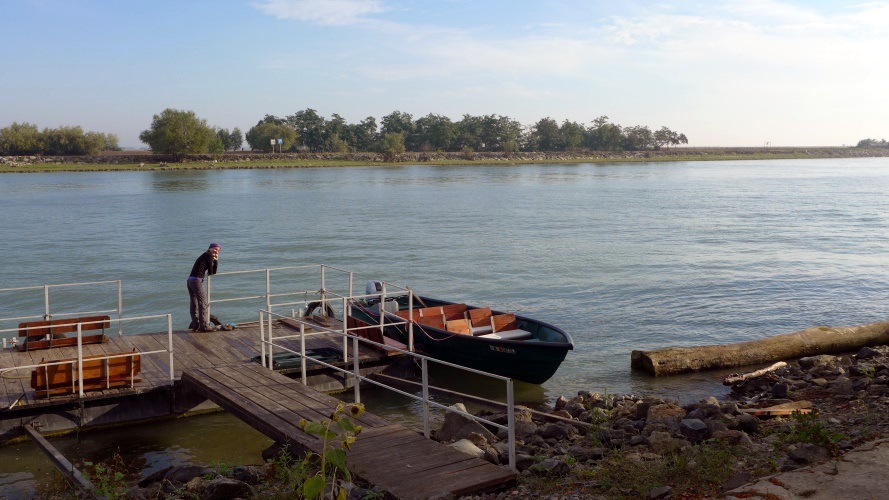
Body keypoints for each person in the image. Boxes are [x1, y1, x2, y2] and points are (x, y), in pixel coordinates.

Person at [187, 243, 220, 332]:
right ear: (210, 248)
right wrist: (215, 261)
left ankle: (195, 325)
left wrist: (215, 260)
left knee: (194, 303)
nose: (216, 251)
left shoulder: (205, 255)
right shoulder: (209, 255)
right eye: (215, 249)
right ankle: (204, 326)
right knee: (203, 303)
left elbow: (211, 271)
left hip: (190, 280)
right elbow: (211, 272)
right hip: (197, 281)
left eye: (218, 250)